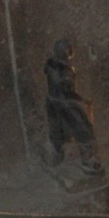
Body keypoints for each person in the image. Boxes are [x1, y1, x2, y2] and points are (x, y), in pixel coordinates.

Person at [44, 39, 102, 173]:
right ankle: (86, 160)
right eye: (68, 50)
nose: (71, 52)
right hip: (63, 103)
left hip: (57, 102)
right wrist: (82, 100)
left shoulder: (54, 65)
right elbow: (64, 91)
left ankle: (62, 156)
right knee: (83, 129)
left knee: (61, 132)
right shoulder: (61, 68)